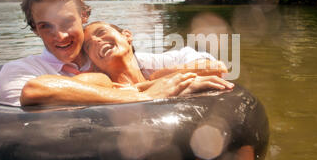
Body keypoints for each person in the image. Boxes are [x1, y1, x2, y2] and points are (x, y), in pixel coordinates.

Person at [0, 0, 229, 106]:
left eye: (67, 22)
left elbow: (212, 64)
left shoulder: (117, 60)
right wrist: (142, 95)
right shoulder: (19, 72)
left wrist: (160, 77)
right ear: (35, 30)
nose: (61, 36)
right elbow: (32, 103)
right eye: (46, 26)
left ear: (84, 17)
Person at [81, 21, 234, 95]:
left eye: (101, 32)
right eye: (88, 46)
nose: (96, 41)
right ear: (93, 62)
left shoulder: (158, 63)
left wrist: (157, 78)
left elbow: (218, 68)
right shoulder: (101, 82)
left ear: (127, 36)